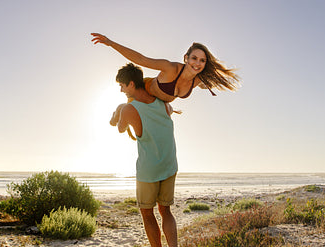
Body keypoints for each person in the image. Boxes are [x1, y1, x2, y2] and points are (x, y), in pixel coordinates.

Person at [110, 63, 178, 247]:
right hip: (170, 165)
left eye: (122, 86)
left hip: (149, 170)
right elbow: (168, 112)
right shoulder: (164, 104)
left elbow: (120, 128)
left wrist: (118, 110)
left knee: (147, 213)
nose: (121, 90)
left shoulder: (128, 109)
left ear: (131, 84)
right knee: (166, 211)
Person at [91, 33, 241, 102]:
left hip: (160, 104)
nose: (197, 63)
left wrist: (209, 83)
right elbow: (141, 59)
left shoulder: (198, 81)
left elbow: (203, 85)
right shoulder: (170, 68)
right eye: (194, 58)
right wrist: (111, 43)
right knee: (126, 110)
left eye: (202, 60)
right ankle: (116, 115)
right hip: (144, 91)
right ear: (186, 58)